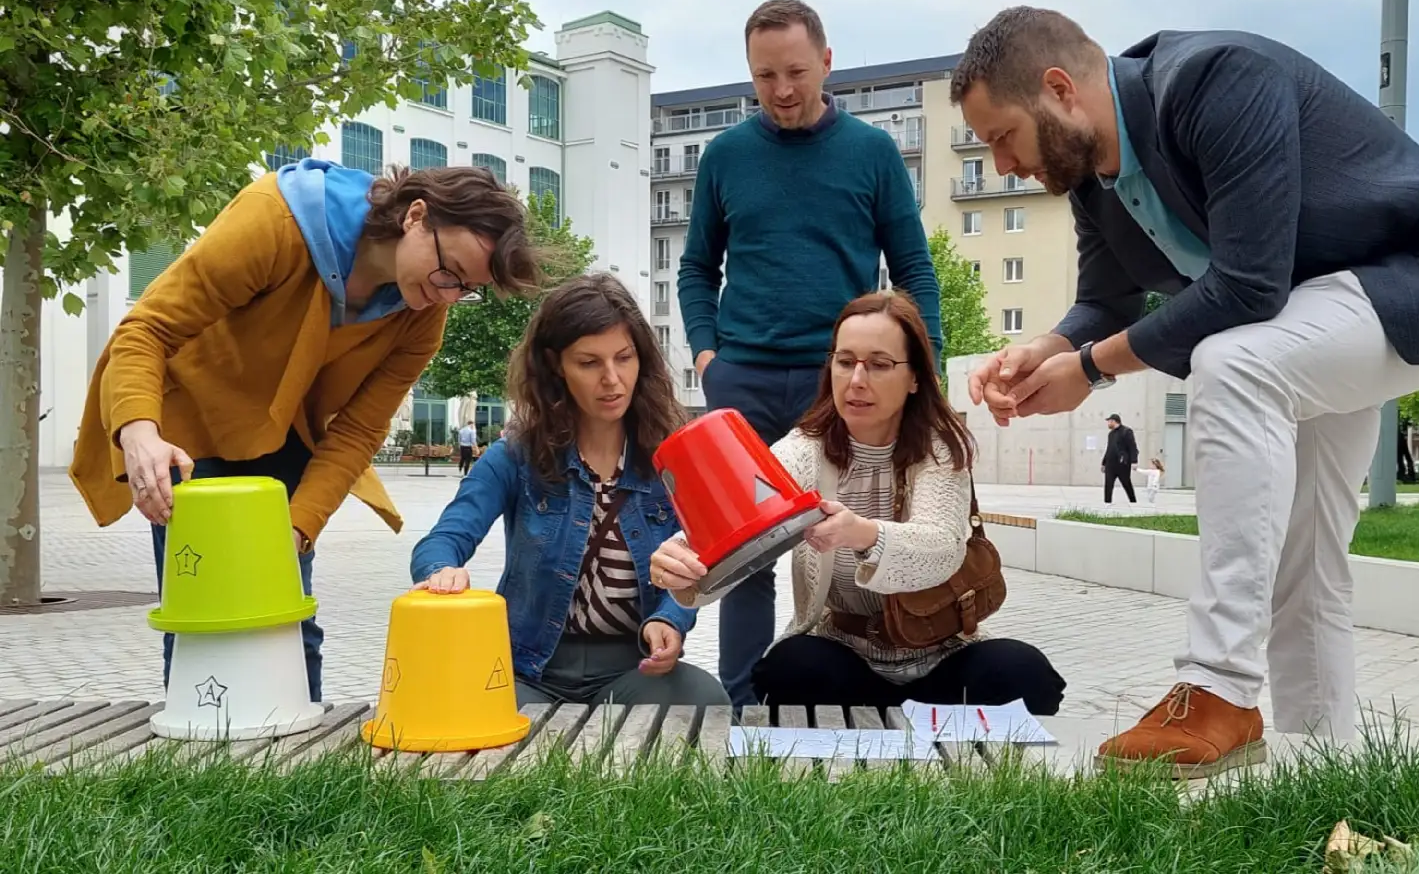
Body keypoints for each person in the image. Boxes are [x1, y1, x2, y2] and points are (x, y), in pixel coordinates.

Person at [953, 8, 1419, 777]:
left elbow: (1247, 288)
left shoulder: (1215, 81)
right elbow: (1105, 304)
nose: (1003, 165)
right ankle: (1321, 771)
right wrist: (1044, 350)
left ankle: (1218, 689)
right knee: (1306, 558)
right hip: (1307, 320)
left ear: (1059, 90)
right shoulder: (1093, 180)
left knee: (1232, 363)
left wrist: (1091, 369)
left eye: (1003, 136)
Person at [71, 158, 543, 702]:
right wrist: (139, 432)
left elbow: (359, 431)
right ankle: (198, 746)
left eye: (466, 288)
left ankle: (299, 745)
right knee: (204, 619)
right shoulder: (274, 221)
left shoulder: (422, 315)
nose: (447, 296)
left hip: (288, 438)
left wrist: (297, 530)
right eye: (448, 272)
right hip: (188, 432)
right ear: (415, 216)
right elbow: (146, 330)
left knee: (291, 624)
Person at [677, 0, 945, 708]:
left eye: (796, 72)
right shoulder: (725, 156)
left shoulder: (872, 153)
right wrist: (706, 356)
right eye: (764, 76)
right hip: (743, 378)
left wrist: (928, 371)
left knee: (844, 538)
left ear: (827, 62)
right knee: (745, 552)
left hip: (843, 383)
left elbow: (914, 271)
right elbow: (696, 268)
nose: (782, 90)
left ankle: (862, 686)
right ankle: (743, 705)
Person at [651, 292, 1065, 715]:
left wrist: (862, 534)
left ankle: (899, 717)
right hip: (846, 657)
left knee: (1025, 674)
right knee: (787, 668)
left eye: (880, 365)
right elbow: (738, 518)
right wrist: (682, 559)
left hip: (941, 656)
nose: (857, 380)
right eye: (845, 362)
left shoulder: (940, 448)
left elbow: (942, 550)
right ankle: (897, 720)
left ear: (915, 378)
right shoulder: (805, 448)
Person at [411, 275, 729, 709]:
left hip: (633, 669)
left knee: (705, 700)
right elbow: (443, 539)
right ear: (556, 364)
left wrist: (670, 619)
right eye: (589, 363)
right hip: (527, 668)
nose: (612, 379)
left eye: (624, 358)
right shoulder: (516, 455)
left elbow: (697, 564)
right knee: (467, 709)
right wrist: (442, 572)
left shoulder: (671, 460)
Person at [1102, 413, 1138, 503]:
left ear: (1114, 421)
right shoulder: (1110, 434)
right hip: (1110, 465)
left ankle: (1133, 501)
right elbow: (1109, 449)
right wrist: (1104, 463)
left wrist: (1134, 461)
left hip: (1122, 464)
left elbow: (1133, 447)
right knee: (1108, 485)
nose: (1108, 423)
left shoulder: (1126, 431)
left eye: (1109, 421)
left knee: (1126, 483)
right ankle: (1107, 503)